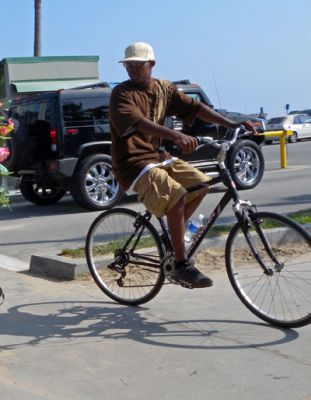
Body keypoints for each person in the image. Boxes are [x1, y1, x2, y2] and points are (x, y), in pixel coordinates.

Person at [109, 42, 256, 288]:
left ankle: (174, 236)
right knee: (176, 196)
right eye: (129, 65)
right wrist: (176, 135)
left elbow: (196, 108)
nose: (132, 69)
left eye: (138, 64)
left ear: (151, 64)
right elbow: (139, 122)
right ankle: (181, 265)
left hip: (159, 157)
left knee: (201, 184)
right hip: (133, 164)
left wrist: (232, 124)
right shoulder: (121, 94)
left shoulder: (164, 89)